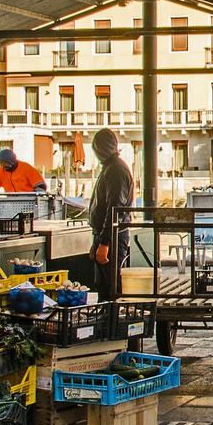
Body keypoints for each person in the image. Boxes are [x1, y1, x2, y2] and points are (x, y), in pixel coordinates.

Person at [87, 129, 135, 301]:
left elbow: (115, 208)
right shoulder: (111, 168)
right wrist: (98, 240)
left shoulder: (115, 170)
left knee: (112, 288)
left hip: (113, 238)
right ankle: (107, 324)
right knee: (103, 286)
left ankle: (114, 325)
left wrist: (104, 243)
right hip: (106, 236)